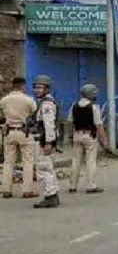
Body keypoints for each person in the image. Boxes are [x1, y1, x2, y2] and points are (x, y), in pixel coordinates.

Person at [1, 76, 38, 199]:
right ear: (23, 86)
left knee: (8, 162)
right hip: (24, 132)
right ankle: (27, 190)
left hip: (9, 132)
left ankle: (6, 189)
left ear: (13, 85)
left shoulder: (4, 100)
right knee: (27, 161)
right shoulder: (28, 100)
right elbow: (34, 111)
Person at [67, 84, 108, 194]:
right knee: (90, 160)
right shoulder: (93, 108)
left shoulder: (74, 106)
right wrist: (104, 139)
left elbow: (70, 123)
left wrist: (70, 136)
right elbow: (99, 125)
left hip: (77, 135)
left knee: (76, 161)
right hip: (89, 136)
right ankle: (91, 186)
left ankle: (72, 186)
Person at [31, 75, 62, 209]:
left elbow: (49, 124)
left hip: (44, 139)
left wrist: (49, 142)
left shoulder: (46, 104)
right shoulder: (44, 102)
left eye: (40, 87)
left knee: (44, 169)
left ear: (47, 89)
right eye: (35, 87)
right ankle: (53, 194)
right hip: (43, 138)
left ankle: (50, 196)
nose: (37, 90)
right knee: (48, 168)